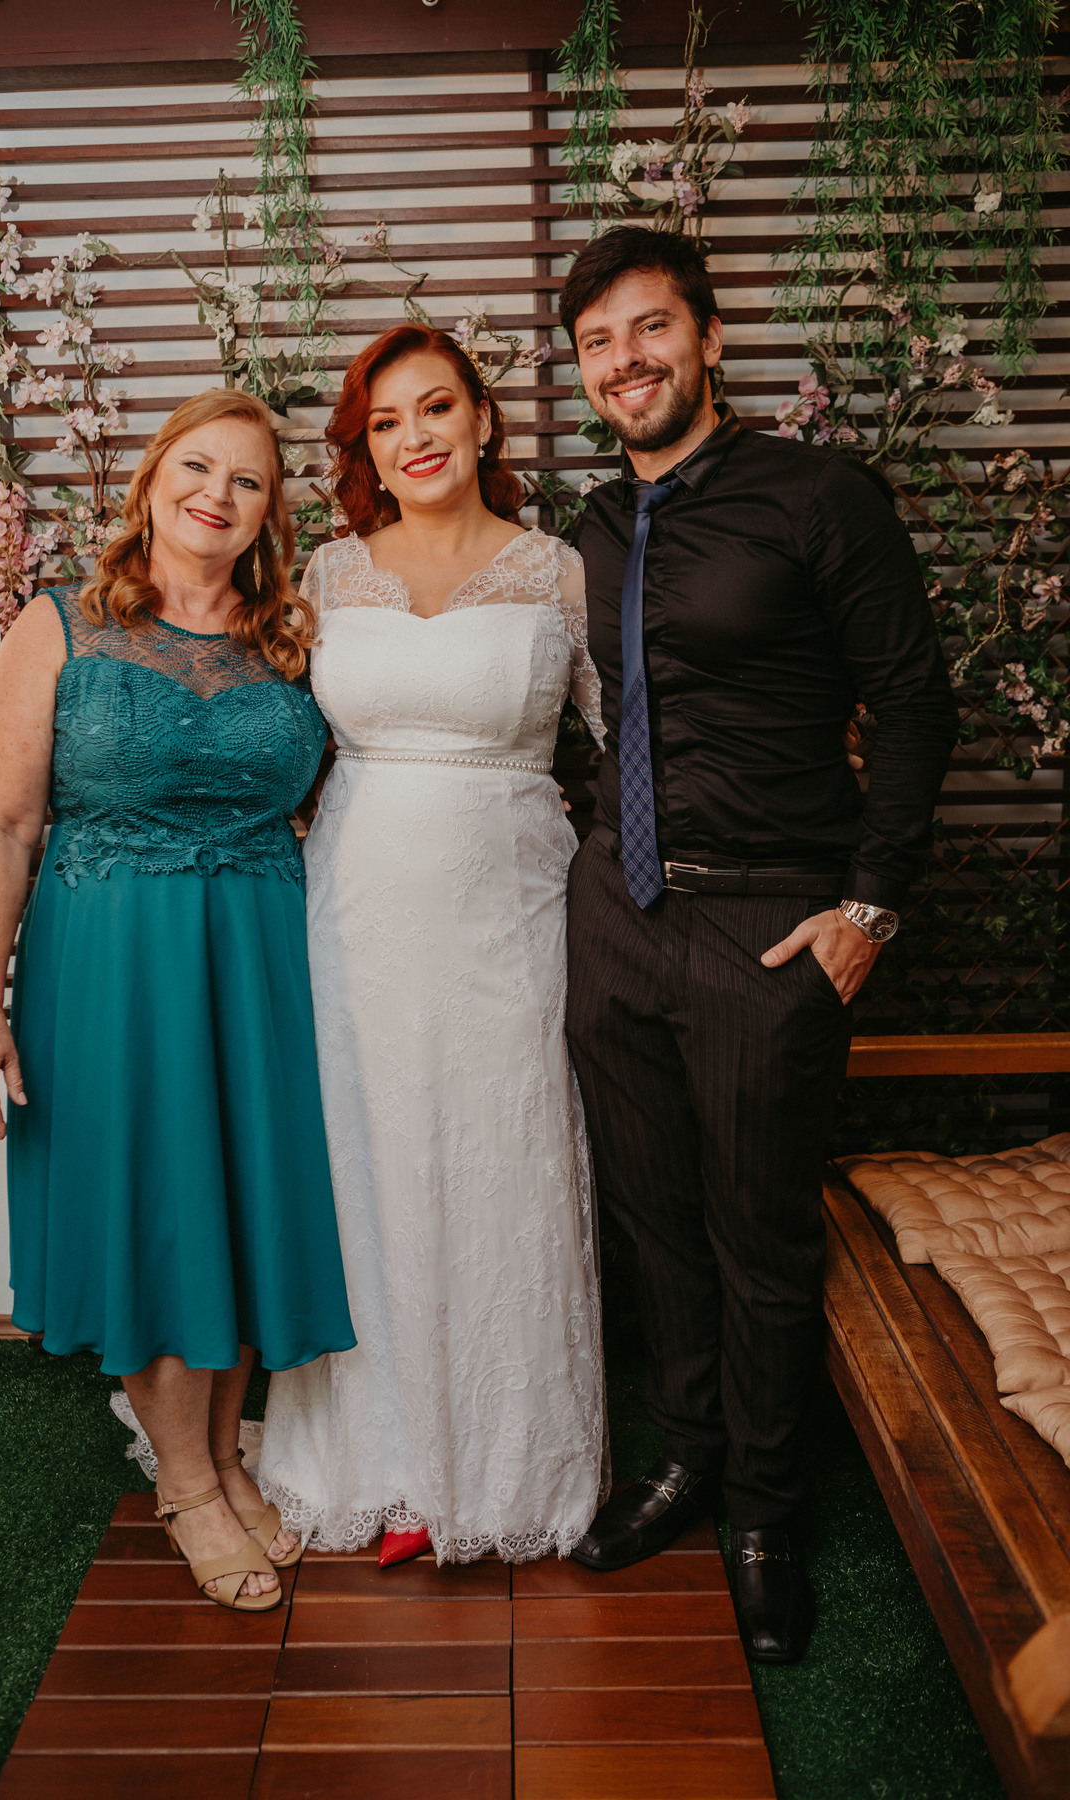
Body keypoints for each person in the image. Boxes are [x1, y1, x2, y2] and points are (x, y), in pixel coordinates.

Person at [560, 227, 959, 1660]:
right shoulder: (590, 529)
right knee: (655, 1218)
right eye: (598, 343)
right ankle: (689, 1458)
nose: (627, 361)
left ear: (711, 338)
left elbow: (915, 703)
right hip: (617, 917)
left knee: (761, 1234)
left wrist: (869, 909)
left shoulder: (819, 495)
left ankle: (768, 1512)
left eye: (651, 327)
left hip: (770, 928)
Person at [0, 389, 355, 1613]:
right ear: (151, 478)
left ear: (270, 514)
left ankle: (224, 1455)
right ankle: (184, 1482)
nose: (217, 494)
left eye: (247, 480)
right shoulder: (60, 626)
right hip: (112, 967)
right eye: (198, 466)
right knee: (158, 1208)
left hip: (259, 962)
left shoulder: (295, 642)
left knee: (238, 1203)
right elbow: (4, 824)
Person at [258, 325, 607, 1565]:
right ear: (367, 447)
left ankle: (505, 1464)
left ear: (482, 419)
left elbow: (636, 751)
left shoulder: (558, 571)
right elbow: (274, 745)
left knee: (504, 1159)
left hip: (511, 909)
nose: (416, 437)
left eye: (437, 407)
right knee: (371, 1164)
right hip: (353, 914)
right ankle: (385, 1463)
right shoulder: (329, 574)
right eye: (388, 421)